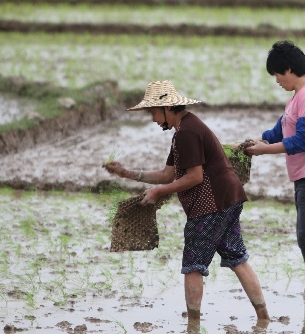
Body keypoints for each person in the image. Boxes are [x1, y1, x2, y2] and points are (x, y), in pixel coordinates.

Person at [103, 80, 270, 332]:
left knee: (193, 265)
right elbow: (168, 174)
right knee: (237, 258)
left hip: (210, 206)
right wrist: (127, 173)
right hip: (230, 199)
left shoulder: (187, 133)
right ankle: (264, 317)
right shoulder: (184, 130)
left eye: (152, 113)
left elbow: (194, 177)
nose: (152, 119)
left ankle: (192, 327)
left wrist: (158, 192)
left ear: (168, 107)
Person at [245, 40, 305, 305]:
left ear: (287, 69)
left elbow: (303, 141)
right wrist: (259, 140)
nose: (276, 81)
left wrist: (264, 151)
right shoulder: (299, 96)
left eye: (276, 75)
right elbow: (281, 130)